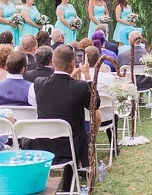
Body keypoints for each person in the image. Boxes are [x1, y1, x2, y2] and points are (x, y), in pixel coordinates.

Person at [26, 45, 97, 193]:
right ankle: (69, 185)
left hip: (43, 144)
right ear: (72, 63)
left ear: (52, 61)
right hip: (71, 146)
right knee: (80, 133)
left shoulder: (39, 83)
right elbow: (95, 105)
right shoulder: (81, 86)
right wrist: (88, 76)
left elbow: (60, 86)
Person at [119, 31, 152, 111]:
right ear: (141, 40)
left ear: (130, 40)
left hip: (129, 84)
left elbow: (120, 73)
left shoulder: (122, 55)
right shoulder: (151, 53)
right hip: (147, 83)